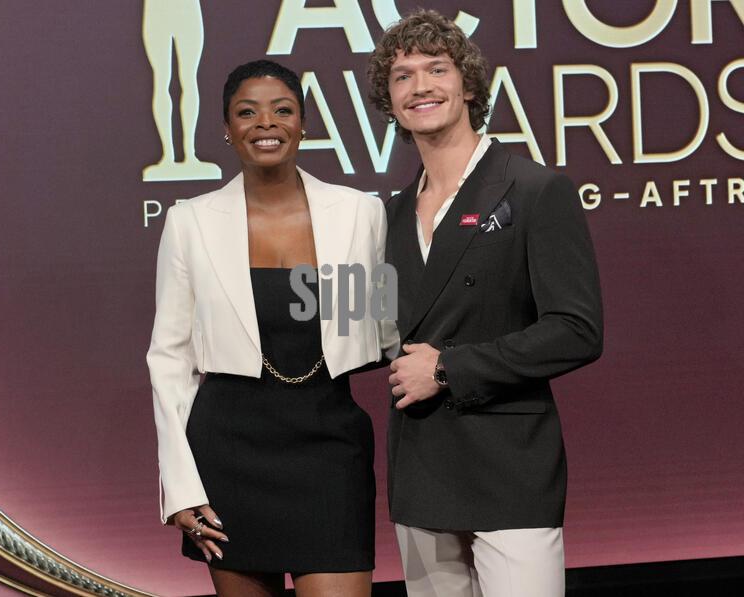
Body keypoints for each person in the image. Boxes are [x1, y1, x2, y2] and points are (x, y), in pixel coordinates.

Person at [367, 10, 603, 597]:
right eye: (402, 76)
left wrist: (447, 368)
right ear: (388, 101)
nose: (420, 86)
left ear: (469, 85)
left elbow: (576, 330)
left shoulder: (534, 189)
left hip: (511, 468)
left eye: (436, 69)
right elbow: (362, 333)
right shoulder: (386, 215)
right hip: (421, 467)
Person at [147, 60, 393, 597]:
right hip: (229, 454)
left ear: (303, 125)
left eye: (282, 110)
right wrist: (180, 486)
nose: (266, 123)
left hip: (330, 449)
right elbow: (169, 360)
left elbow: (380, 326)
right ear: (227, 129)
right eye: (247, 112)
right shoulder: (191, 220)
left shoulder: (359, 213)